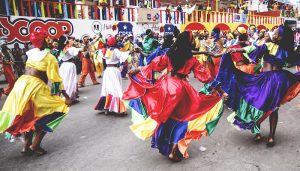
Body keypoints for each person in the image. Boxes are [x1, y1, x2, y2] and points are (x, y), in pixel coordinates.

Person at [123, 31, 227, 161]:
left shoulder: (170, 54)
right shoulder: (191, 60)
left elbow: (155, 65)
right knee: (182, 119)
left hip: (165, 86)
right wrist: (221, 91)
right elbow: (205, 77)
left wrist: (137, 69)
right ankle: (173, 150)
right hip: (181, 89)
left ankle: (165, 143)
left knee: (165, 117)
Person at [214, 25, 300, 147]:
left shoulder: (269, 45)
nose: (272, 34)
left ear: (280, 37)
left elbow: (253, 48)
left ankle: (258, 134)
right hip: (280, 80)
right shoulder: (288, 51)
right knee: (274, 108)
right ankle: (271, 137)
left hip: (266, 79)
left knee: (257, 104)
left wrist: (236, 50)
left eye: (275, 33)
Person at [0, 29, 71, 155]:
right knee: (55, 110)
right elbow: (55, 80)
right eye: (47, 38)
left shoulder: (31, 54)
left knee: (29, 115)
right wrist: (65, 96)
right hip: (34, 86)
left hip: (21, 84)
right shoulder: (50, 58)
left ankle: (26, 146)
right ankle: (35, 144)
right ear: (44, 41)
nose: (50, 40)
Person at [94, 35, 129, 116]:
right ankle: (118, 108)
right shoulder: (116, 50)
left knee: (107, 88)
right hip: (114, 70)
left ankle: (107, 107)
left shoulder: (104, 50)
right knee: (116, 88)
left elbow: (98, 53)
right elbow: (123, 57)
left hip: (107, 71)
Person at [59, 37, 82, 104]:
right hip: (70, 65)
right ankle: (70, 97)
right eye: (69, 40)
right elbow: (75, 53)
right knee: (71, 81)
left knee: (65, 81)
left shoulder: (62, 49)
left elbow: (60, 58)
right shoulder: (69, 48)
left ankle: (66, 97)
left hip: (63, 66)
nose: (71, 41)